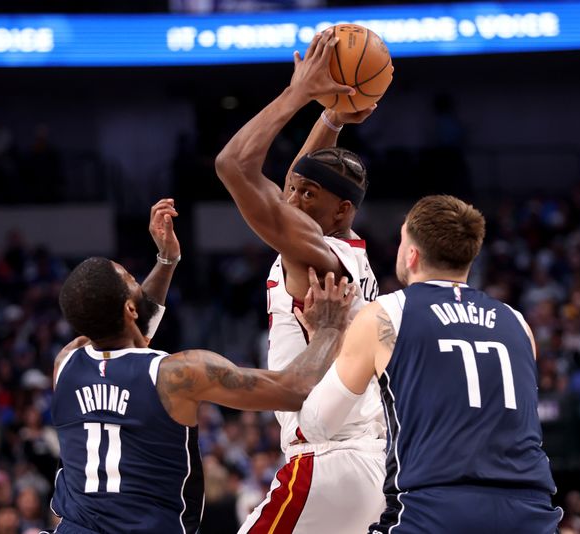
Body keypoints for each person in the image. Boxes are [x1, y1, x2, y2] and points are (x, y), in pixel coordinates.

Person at [47, 198, 355, 534]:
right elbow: (295, 389)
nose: (138, 283)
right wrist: (330, 327)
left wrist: (167, 260)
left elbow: (130, 336)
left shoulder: (66, 362)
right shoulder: (180, 375)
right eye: (131, 279)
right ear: (130, 310)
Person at [298, 195, 563, 533]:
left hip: (435, 513)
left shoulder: (386, 315)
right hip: (531, 514)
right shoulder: (518, 324)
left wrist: (326, 336)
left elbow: (317, 424)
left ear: (412, 254)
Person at [215, 30, 386, 532]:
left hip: (329, 457)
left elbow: (233, 166)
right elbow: (291, 186)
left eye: (309, 195)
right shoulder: (346, 250)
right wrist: (331, 118)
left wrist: (300, 92)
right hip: (363, 458)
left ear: (342, 210)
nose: (293, 198)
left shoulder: (319, 259)